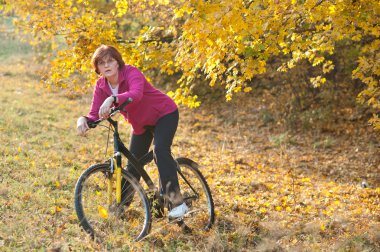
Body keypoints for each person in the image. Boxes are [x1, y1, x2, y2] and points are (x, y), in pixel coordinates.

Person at [76, 44, 188, 219]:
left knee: (160, 151)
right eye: (101, 63)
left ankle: (177, 203)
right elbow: (94, 114)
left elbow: (136, 95)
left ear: (117, 62)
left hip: (164, 114)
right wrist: (83, 120)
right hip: (140, 125)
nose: (107, 65)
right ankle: (120, 208)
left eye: (110, 61)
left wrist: (113, 98)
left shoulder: (131, 72)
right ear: (97, 68)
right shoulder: (101, 85)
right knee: (132, 165)